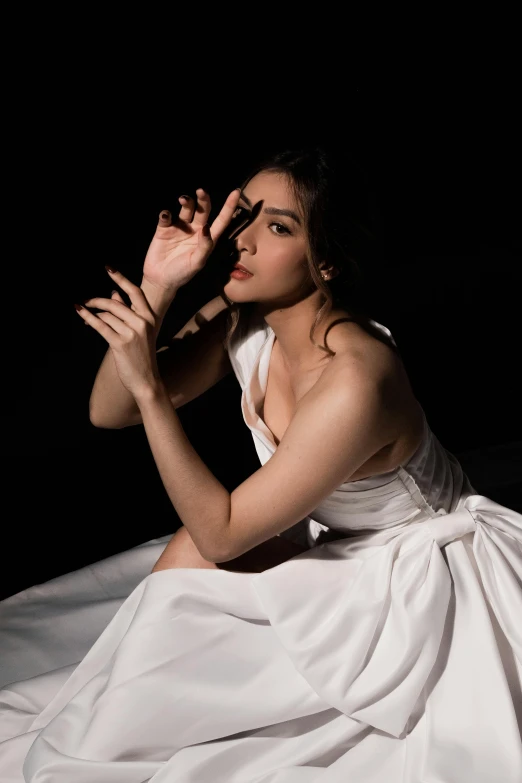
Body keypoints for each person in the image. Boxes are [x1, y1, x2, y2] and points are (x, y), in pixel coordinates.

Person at [1, 148, 521, 781]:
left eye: (277, 227)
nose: (239, 240)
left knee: (204, 550)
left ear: (324, 259)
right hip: (339, 548)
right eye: (242, 216)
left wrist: (150, 390)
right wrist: (162, 284)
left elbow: (222, 528)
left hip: (422, 579)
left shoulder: (356, 377)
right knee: (186, 561)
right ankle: (119, 722)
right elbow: (108, 412)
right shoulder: (243, 321)